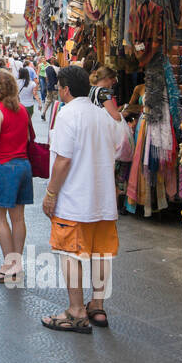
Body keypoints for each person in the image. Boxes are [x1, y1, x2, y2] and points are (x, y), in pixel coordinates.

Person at [39, 65, 132, 334]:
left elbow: (63, 160)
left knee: (71, 254)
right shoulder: (103, 115)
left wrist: (51, 193)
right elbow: (119, 147)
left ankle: (76, 311)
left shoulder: (68, 115)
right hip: (103, 200)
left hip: (75, 201)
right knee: (102, 255)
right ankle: (97, 305)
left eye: (59, 87)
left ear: (65, 89)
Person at [0, 70, 32, 283]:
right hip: (23, 165)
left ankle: (8, 265)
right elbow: (27, 137)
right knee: (18, 218)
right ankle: (16, 262)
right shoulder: (21, 110)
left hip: (4, 166)